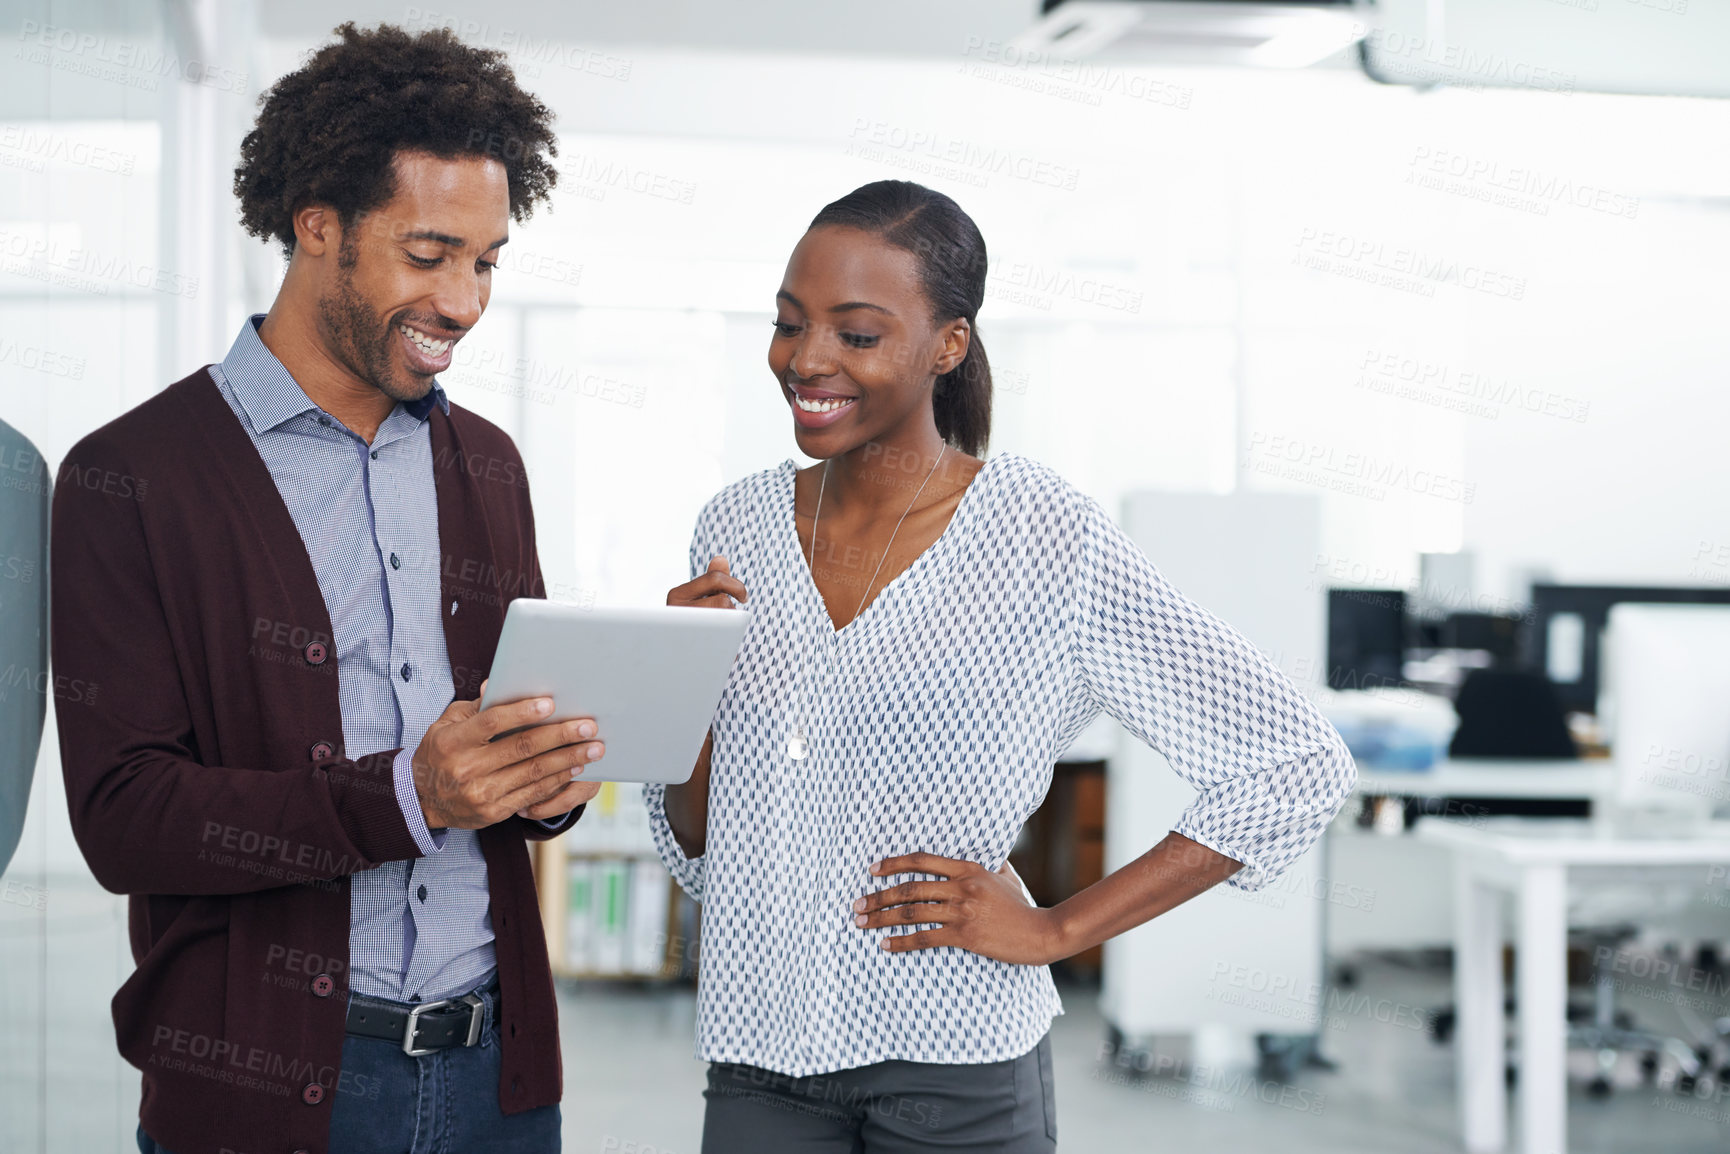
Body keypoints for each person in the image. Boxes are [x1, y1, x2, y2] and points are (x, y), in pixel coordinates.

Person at [646, 179, 1359, 1152]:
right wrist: (678, 687)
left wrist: (1055, 929)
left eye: (856, 334)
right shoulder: (732, 527)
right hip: (758, 1055)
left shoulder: (1039, 534)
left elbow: (1290, 762)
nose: (806, 359)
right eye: (787, 323)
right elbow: (703, 843)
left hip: (955, 1062)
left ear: (948, 345)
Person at [50, 24, 600, 1154]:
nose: (463, 301)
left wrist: (552, 764)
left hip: (499, 1079)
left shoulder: (486, 461)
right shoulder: (133, 475)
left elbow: (508, 781)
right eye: (429, 251)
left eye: (487, 261)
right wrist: (406, 796)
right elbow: (124, 819)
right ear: (319, 228)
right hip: (269, 1091)